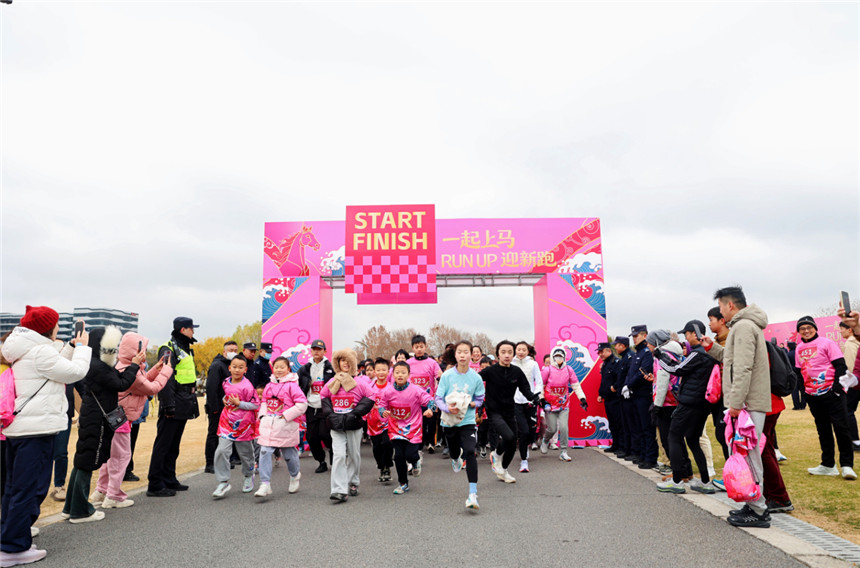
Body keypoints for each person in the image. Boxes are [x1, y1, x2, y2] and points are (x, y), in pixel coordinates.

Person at [0, 307, 91, 566]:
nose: (59, 328)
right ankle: (12, 548)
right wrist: (82, 348)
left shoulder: (25, 348)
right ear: (47, 328)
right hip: (36, 431)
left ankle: (11, 538)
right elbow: (75, 372)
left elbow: (55, 365)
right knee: (30, 489)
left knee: (14, 488)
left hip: (21, 430)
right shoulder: (40, 351)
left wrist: (70, 347)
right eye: (56, 324)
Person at [701, 285, 772, 528]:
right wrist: (711, 348)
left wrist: (735, 402)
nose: (720, 312)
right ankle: (753, 502)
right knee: (746, 453)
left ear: (730, 305)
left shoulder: (743, 326)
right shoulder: (744, 326)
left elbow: (743, 369)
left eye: (720, 307)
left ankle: (759, 510)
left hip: (747, 403)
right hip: (747, 402)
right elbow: (732, 361)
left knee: (749, 454)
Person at [64, 327, 141, 523]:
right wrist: (134, 366)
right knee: (87, 461)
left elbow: (116, 381)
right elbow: (121, 384)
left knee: (82, 460)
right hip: (97, 419)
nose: (113, 349)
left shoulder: (93, 362)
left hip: (91, 415)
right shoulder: (98, 366)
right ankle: (80, 511)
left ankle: (70, 507)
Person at [93, 332, 171, 509]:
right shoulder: (131, 370)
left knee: (110, 457)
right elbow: (151, 388)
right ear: (136, 350)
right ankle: (113, 495)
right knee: (121, 457)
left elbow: (140, 383)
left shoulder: (123, 365)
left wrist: (155, 369)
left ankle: (101, 491)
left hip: (115, 417)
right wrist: (166, 371)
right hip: (122, 419)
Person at [653, 330, 718, 495]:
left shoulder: (697, 354)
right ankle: (705, 482)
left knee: (673, 437)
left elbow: (676, 369)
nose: (685, 338)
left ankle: (677, 481)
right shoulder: (710, 354)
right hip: (703, 404)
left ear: (695, 334)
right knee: (693, 440)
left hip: (689, 403)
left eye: (687, 334)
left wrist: (660, 356)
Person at [794, 315, 855, 480]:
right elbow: (799, 372)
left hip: (831, 393)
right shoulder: (799, 348)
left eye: (809, 327)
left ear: (815, 328)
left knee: (841, 428)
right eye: (802, 329)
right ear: (799, 331)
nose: (806, 331)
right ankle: (828, 465)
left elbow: (840, 366)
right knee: (823, 430)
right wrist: (804, 392)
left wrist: (837, 389)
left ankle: (847, 465)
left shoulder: (827, 343)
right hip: (812, 395)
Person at [147, 316, 200, 498]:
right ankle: (155, 484)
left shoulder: (184, 348)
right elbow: (166, 378)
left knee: (173, 445)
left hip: (183, 401)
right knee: (163, 444)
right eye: (192, 328)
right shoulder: (169, 348)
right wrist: (168, 404)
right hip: (174, 401)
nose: (194, 332)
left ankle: (169, 479)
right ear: (183, 330)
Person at [482, 340, 540, 483]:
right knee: (508, 436)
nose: (507, 355)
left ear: (513, 354)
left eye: (509, 352)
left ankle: (504, 471)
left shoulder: (516, 371)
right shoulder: (490, 371)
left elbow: (525, 389)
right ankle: (496, 455)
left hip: (509, 410)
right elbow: (474, 381)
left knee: (513, 443)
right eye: (503, 352)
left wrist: (534, 397)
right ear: (498, 354)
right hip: (494, 411)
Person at [436, 340, 485, 509]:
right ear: (455, 355)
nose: (463, 355)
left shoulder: (476, 377)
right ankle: (455, 458)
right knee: (455, 451)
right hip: (450, 421)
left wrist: (472, 404)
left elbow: (480, 398)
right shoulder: (447, 376)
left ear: (471, 355)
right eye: (459, 352)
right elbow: (438, 398)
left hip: (467, 421)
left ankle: (473, 494)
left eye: (466, 352)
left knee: (470, 451)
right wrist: (446, 408)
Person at [320, 349, 374, 502]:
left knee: (354, 455)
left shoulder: (360, 382)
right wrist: (330, 414)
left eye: (347, 360)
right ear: (337, 363)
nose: (345, 363)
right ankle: (339, 490)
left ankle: (353, 482)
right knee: (338, 456)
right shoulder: (332, 382)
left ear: (353, 363)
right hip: (336, 424)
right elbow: (323, 395)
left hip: (353, 425)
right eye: (341, 360)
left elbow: (371, 396)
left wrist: (356, 413)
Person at [378, 361, 436, 495]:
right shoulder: (388, 391)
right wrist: (383, 412)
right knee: (398, 456)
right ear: (393, 375)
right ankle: (403, 484)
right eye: (397, 372)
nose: (400, 375)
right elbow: (381, 405)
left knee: (410, 455)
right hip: (395, 429)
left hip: (413, 429)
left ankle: (415, 461)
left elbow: (430, 401)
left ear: (409, 374)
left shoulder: (415, 390)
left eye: (403, 372)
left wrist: (430, 410)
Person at [255, 356, 307, 498]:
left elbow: (302, 404)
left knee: (289, 455)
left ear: (288, 369)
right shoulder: (269, 385)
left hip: (286, 425)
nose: (278, 370)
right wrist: (262, 416)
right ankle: (265, 484)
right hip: (269, 425)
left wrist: (286, 415)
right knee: (265, 452)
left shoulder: (292, 386)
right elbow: (264, 402)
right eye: (276, 367)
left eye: (282, 367)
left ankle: (295, 475)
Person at [212, 356, 260, 499]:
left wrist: (240, 404)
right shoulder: (225, 382)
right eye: (234, 367)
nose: (237, 370)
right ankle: (223, 482)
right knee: (221, 451)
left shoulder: (247, 386)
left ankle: (248, 475)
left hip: (244, 425)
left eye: (240, 367)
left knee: (245, 454)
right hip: (227, 422)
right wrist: (225, 400)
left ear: (245, 370)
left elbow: (255, 405)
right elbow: (227, 396)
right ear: (229, 368)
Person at [540, 347, 586, 462]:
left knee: (564, 428)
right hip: (550, 404)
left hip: (564, 404)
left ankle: (564, 451)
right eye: (556, 356)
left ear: (564, 357)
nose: (559, 358)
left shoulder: (568, 369)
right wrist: (542, 399)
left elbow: (575, 385)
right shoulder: (547, 370)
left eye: (561, 356)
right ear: (553, 357)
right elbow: (541, 385)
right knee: (552, 428)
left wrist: (582, 398)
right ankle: (546, 440)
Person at [297, 339, 336, 473]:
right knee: (312, 437)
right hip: (310, 406)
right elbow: (298, 386)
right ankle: (321, 461)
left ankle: (334, 454)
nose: (316, 351)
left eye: (319, 349)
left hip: (325, 406)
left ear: (325, 351)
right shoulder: (304, 369)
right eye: (314, 349)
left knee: (325, 434)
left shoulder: (331, 368)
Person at [625, 325, 658, 470]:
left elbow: (642, 373)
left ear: (645, 336)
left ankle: (650, 458)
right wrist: (627, 385)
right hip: (635, 394)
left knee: (646, 427)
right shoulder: (637, 353)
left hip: (644, 394)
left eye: (636, 336)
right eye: (633, 336)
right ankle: (643, 455)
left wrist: (629, 385)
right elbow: (631, 372)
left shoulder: (646, 353)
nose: (634, 339)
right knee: (639, 426)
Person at [204, 340, 238, 474]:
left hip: (228, 408)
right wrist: (213, 407)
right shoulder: (217, 365)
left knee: (225, 435)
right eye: (231, 350)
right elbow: (211, 387)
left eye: (235, 350)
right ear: (224, 352)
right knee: (213, 434)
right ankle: (210, 463)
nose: (233, 353)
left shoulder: (230, 366)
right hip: (217, 407)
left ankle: (222, 461)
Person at [406, 335, 443, 453]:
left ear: (425, 347)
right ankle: (419, 444)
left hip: (429, 399)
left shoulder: (432, 363)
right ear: (412, 348)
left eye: (421, 346)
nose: (419, 349)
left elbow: (440, 377)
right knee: (418, 422)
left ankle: (431, 443)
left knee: (431, 422)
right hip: (414, 399)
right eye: (416, 347)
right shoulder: (408, 363)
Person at [511, 341, 543, 473]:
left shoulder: (533, 364)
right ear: (515, 350)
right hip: (515, 401)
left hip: (530, 401)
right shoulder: (511, 363)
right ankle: (524, 460)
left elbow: (539, 382)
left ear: (528, 351)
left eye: (523, 350)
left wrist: (536, 395)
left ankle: (526, 446)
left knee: (530, 431)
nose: (521, 352)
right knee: (523, 431)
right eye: (518, 349)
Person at [368, 358, 394, 482]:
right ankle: (381, 467)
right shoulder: (369, 387)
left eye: (384, 370)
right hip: (373, 423)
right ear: (374, 372)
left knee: (387, 443)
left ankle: (387, 467)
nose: (381, 372)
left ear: (388, 371)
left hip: (388, 422)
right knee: (377, 447)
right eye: (378, 370)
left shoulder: (391, 388)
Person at [838, 321, 860, 451]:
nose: (840, 331)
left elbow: (851, 367)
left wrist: (848, 383)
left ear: (849, 330)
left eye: (842, 329)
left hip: (854, 383)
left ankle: (855, 440)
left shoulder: (850, 344)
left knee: (848, 410)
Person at [596, 343, 621, 453]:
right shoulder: (605, 364)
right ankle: (615, 444)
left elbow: (619, 378)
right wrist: (601, 394)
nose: (600, 354)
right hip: (608, 398)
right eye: (599, 352)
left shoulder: (616, 362)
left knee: (619, 423)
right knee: (612, 423)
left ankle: (622, 446)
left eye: (602, 352)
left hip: (616, 398)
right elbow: (604, 381)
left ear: (609, 351)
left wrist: (615, 387)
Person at [612, 336, 634, 460]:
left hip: (628, 396)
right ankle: (626, 449)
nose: (615, 347)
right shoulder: (623, 358)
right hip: (621, 395)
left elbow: (629, 376)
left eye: (617, 345)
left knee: (630, 425)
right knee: (625, 424)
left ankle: (632, 450)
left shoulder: (630, 357)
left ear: (623, 346)